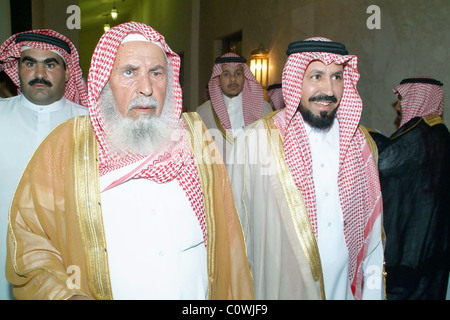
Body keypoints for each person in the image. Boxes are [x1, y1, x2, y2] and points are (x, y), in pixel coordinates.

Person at [5, 21, 253, 300]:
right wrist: (65, 296)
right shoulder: (66, 145)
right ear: (104, 81)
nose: (146, 87)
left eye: (156, 73)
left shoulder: (195, 139)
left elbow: (229, 240)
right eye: (129, 72)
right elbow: (32, 242)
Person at [227, 38, 384, 300]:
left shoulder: (362, 146)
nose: (329, 89)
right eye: (316, 76)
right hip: (281, 287)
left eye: (337, 77)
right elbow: (235, 230)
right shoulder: (256, 141)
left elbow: (373, 240)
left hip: (345, 289)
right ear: (295, 79)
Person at [0, 29, 88, 300]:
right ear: (18, 69)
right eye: (30, 63)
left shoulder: (90, 125)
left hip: (68, 255)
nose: (39, 73)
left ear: (68, 73)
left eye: (50, 64)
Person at [371, 77, 450, 300]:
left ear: (419, 98)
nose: (398, 106)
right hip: (435, 245)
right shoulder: (441, 133)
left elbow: (386, 159)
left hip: (411, 247)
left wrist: (366, 135)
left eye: (403, 99)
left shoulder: (418, 134)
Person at [196, 52, 272, 162]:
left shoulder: (263, 108)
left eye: (238, 74)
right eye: (226, 74)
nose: (233, 79)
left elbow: (269, 149)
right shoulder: (204, 112)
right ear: (217, 79)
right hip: (219, 177)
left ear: (245, 77)